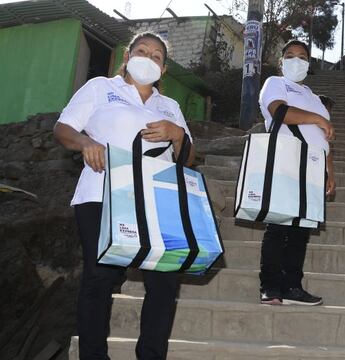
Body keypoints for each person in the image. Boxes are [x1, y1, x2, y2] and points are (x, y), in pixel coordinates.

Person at [54, 32, 196, 359]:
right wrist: (86, 143)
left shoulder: (170, 106)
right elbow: (63, 129)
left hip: (156, 201)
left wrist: (176, 134)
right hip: (102, 193)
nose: (149, 57)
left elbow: (187, 158)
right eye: (142, 51)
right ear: (128, 57)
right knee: (100, 278)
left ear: (164, 69)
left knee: (164, 281)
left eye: (157, 55)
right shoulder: (101, 88)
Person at [257, 40, 336, 306]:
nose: (296, 61)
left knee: (301, 230)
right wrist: (317, 118)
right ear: (281, 62)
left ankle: (292, 286)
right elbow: (278, 111)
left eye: (302, 57)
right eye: (289, 56)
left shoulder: (314, 98)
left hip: (314, 167)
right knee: (279, 226)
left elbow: (324, 139)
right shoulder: (275, 84)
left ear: (309, 64)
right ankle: (270, 286)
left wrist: (330, 172)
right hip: (286, 160)